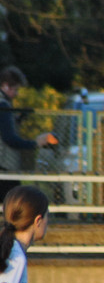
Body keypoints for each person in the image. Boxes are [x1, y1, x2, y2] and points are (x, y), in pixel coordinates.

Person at [0, 67, 57, 202]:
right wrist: (36, 142)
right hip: (4, 165)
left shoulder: (6, 105)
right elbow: (9, 139)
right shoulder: (3, 105)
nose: (17, 94)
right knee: (13, 204)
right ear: (6, 86)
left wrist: (19, 118)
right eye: (16, 89)